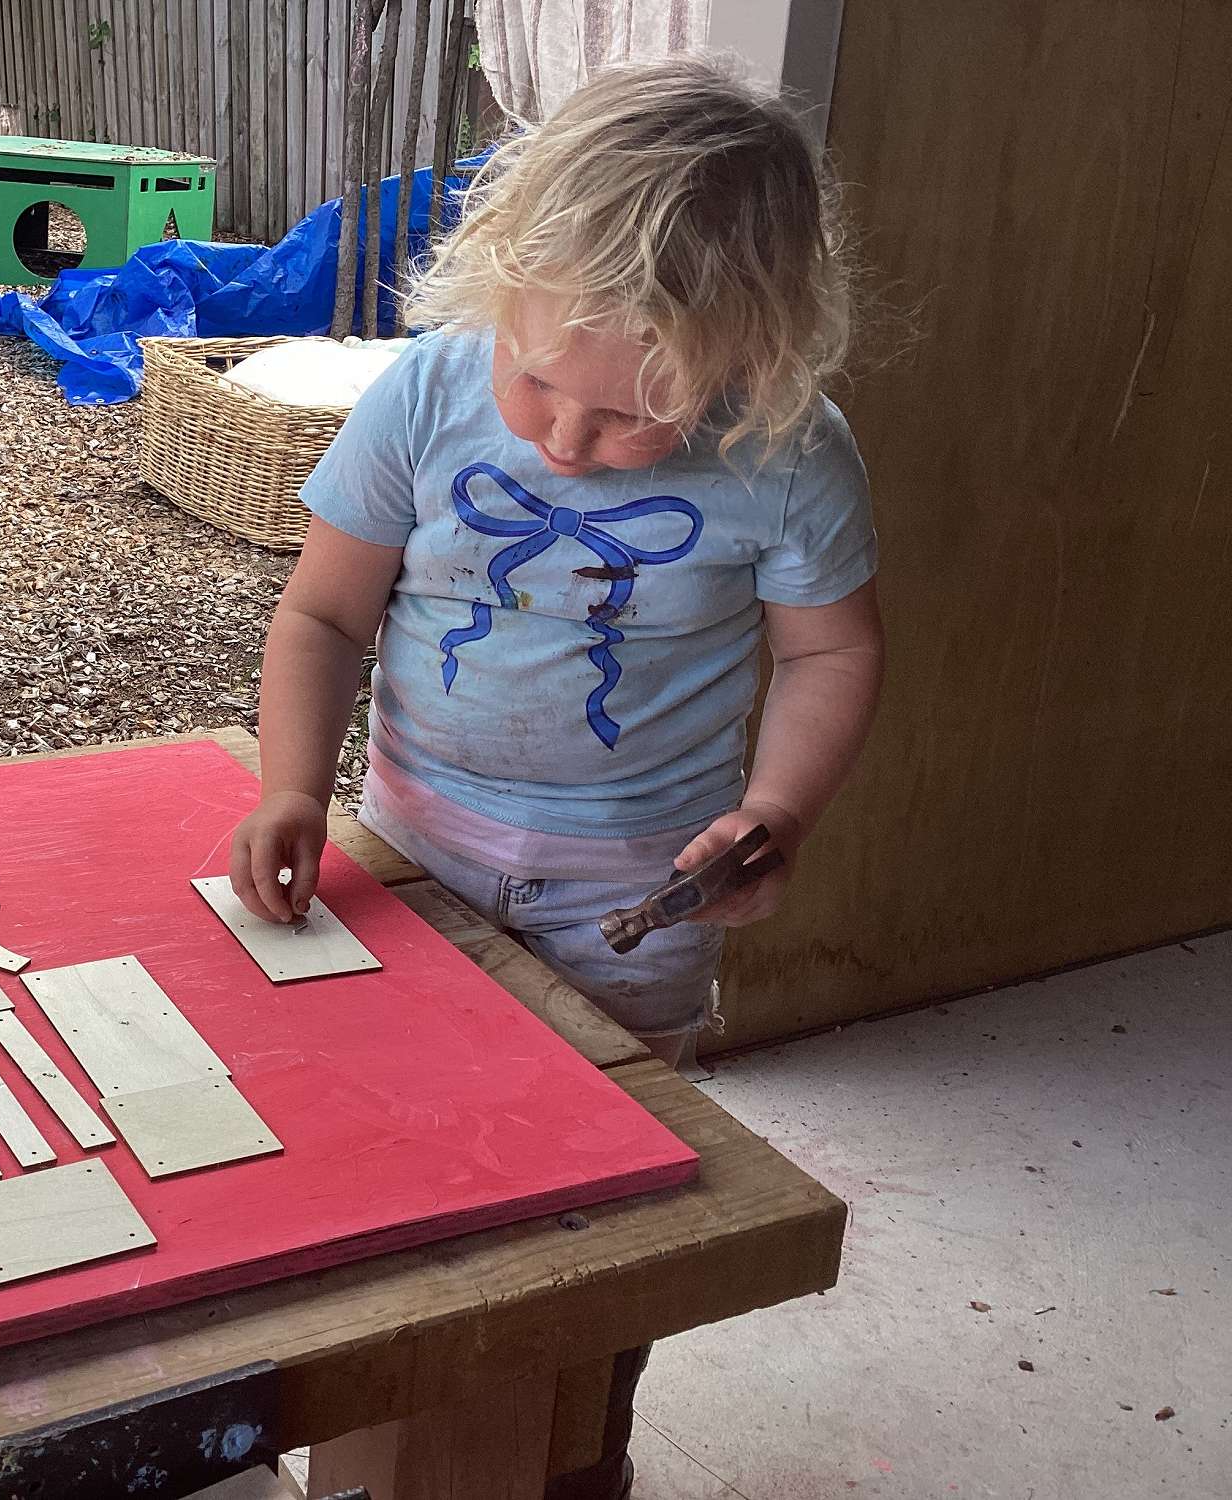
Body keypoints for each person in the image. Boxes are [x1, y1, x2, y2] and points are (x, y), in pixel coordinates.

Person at [227, 56, 885, 1499]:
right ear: (497, 285)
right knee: (392, 1152)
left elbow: (832, 654)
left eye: (634, 418)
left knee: (602, 1206)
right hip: (412, 856)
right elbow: (323, 616)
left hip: (638, 898)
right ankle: (381, 1421)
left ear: (755, 358)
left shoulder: (789, 452)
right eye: (534, 383)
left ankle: (581, 1449)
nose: (569, 444)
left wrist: (780, 811)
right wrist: (292, 788)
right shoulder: (428, 390)